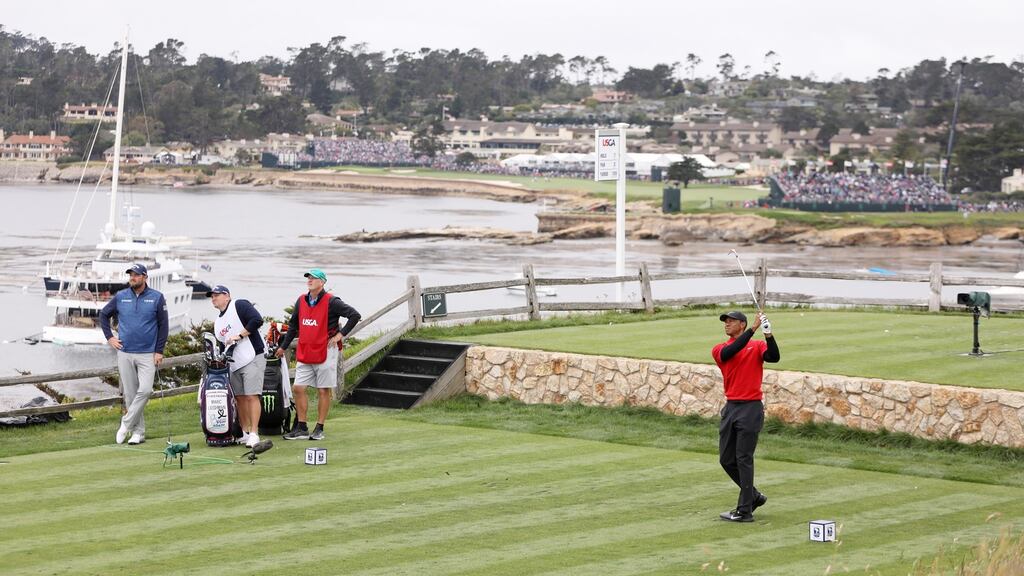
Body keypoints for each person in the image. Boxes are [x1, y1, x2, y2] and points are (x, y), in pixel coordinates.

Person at [711, 310, 780, 522]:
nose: (727, 324)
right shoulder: (720, 349)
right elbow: (732, 351)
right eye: (726, 322)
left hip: (750, 408)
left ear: (741, 324)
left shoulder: (757, 345)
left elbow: (774, 357)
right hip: (731, 407)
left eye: (731, 321)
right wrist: (753, 329)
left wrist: (768, 335)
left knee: (743, 458)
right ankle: (754, 496)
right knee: (726, 459)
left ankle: (744, 510)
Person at [276, 268, 360, 441]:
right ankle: (302, 427)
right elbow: (293, 326)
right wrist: (283, 347)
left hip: (326, 350)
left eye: (314, 278)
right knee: (298, 388)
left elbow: (354, 315)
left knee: (323, 390)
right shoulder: (301, 300)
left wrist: (340, 335)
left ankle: (319, 427)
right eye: (308, 278)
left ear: (322, 282)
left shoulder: (332, 301)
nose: (309, 280)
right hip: (306, 350)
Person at [99, 263, 168, 445]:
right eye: (131, 275)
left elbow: (163, 326)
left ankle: (126, 424)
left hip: (147, 354)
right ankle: (138, 433)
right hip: (125, 352)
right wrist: (110, 338)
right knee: (130, 394)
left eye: (136, 275)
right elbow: (104, 315)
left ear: (145, 277)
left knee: (145, 390)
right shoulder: (121, 296)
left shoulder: (157, 298)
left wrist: (159, 350)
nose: (132, 278)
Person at [208, 285, 265, 448]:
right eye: (211, 296)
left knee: (252, 395)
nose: (213, 298)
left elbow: (257, 320)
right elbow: (221, 344)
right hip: (234, 364)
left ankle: (254, 433)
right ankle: (245, 433)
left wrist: (239, 335)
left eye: (216, 295)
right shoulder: (218, 323)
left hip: (253, 355)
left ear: (227, 296)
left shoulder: (239, 305)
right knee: (239, 398)